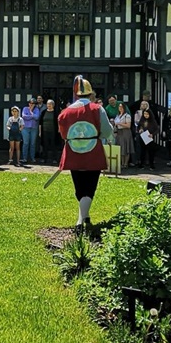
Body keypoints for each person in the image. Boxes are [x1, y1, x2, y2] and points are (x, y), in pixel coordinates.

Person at [57, 75, 112, 230]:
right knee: (89, 189)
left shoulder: (65, 112)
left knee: (80, 188)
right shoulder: (97, 109)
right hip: (93, 152)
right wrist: (98, 137)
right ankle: (80, 221)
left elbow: (63, 134)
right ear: (90, 93)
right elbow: (107, 131)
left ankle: (84, 217)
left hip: (74, 152)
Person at [39, 99, 60, 164]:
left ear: (53, 105)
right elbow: (40, 123)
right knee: (45, 145)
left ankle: (54, 159)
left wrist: (59, 129)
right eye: (48, 104)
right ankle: (44, 158)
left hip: (53, 131)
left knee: (54, 145)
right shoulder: (44, 112)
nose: (49, 105)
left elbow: (59, 122)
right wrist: (40, 132)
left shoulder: (56, 113)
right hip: (45, 131)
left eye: (50, 104)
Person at [113, 102, 133, 169]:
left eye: (121, 107)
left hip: (125, 132)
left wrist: (120, 123)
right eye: (119, 107)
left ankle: (125, 163)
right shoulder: (117, 115)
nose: (120, 108)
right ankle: (121, 163)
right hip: (119, 132)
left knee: (126, 147)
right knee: (121, 148)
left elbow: (128, 125)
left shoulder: (127, 116)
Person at [21, 97, 41, 165]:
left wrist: (30, 114)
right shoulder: (25, 108)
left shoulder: (37, 109)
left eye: (33, 103)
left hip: (34, 128)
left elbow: (37, 117)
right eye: (30, 103)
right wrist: (32, 115)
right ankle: (24, 158)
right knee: (26, 143)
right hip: (25, 128)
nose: (31, 104)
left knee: (32, 143)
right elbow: (24, 116)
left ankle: (32, 158)